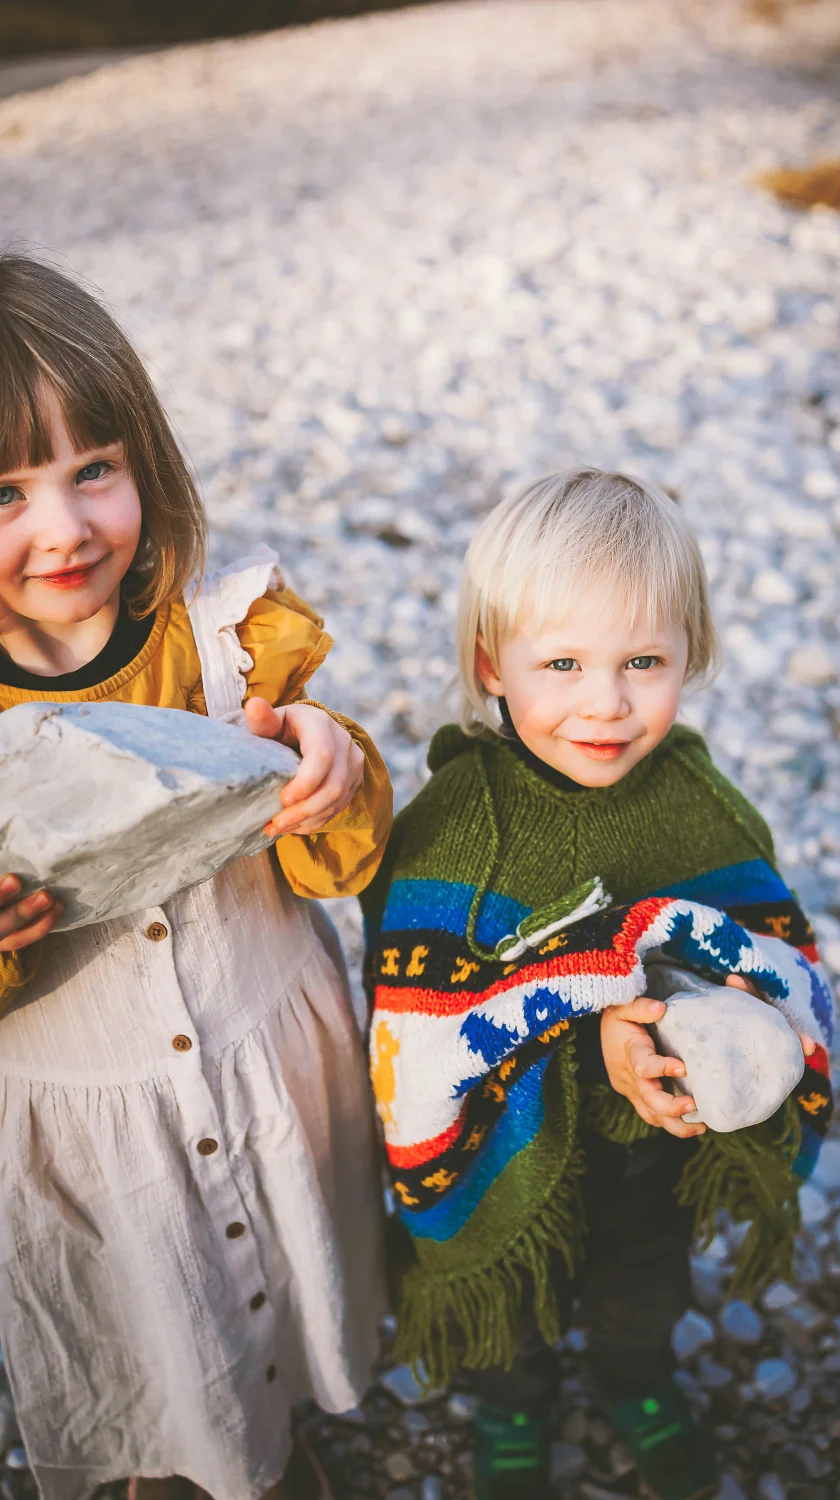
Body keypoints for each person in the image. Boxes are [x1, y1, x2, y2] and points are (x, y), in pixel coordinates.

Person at [0, 254, 392, 1500]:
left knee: (286, 1294)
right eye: (2, 495)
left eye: (92, 471)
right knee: (156, 1342)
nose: (63, 528)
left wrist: (330, 767)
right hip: (92, 1123)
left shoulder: (228, 644)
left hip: (263, 1059)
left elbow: (346, 859)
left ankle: (286, 1445)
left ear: (143, 465)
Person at [360, 469, 833, 1500]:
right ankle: (512, 1405)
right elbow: (425, 1020)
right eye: (563, 662)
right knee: (509, 1302)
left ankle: (636, 1380)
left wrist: (703, 1017)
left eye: (643, 661)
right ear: (493, 661)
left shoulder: (697, 808)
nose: (605, 704)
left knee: (642, 1285)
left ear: (689, 656)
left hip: (653, 1147)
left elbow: (765, 955)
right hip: (504, 1143)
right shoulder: (458, 828)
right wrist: (587, 1022)